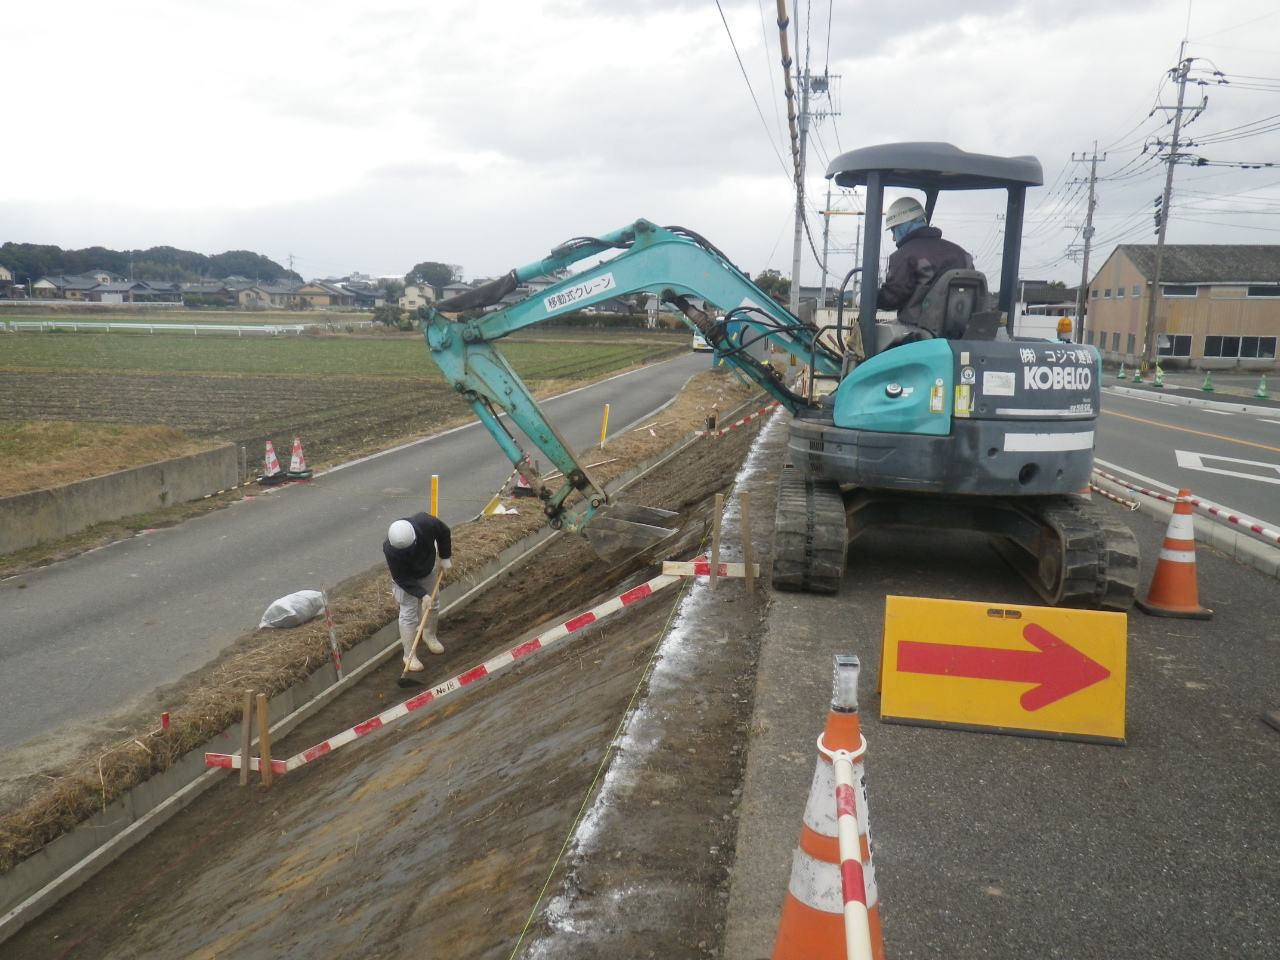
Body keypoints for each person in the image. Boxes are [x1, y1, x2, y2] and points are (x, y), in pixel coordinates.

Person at [877, 197, 975, 325]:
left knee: (878, 332)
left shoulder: (905, 256)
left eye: (893, 230)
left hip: (917, 329)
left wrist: (868, 297)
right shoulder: (963, 254)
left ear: (903, 225)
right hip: (962, 330)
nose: (894, 238)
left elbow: (891, 299)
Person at [383, 512, 452, 671]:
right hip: (406, 580)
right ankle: (409, 655)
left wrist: (445, 557)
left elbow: (444, 532)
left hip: (427, 570)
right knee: (408, 613)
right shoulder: (390, 549)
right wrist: (422, 594)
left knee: (433, 603)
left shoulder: (427, 524)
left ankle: (429, 635)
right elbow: (401, 577)